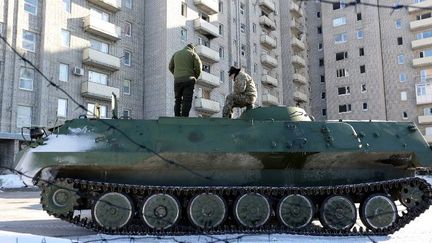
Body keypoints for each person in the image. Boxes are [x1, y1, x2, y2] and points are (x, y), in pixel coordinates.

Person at [169, 44, 202, 117]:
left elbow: (170, 67)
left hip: (177, 81)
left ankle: (177, 117)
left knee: (178, 100)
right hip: (189, 80)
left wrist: (177, 74)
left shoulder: (176, 54)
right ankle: (184, 118)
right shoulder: (193, 54)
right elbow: (198, 68)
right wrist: (195, 76)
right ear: (192, 49)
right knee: (187, 100)